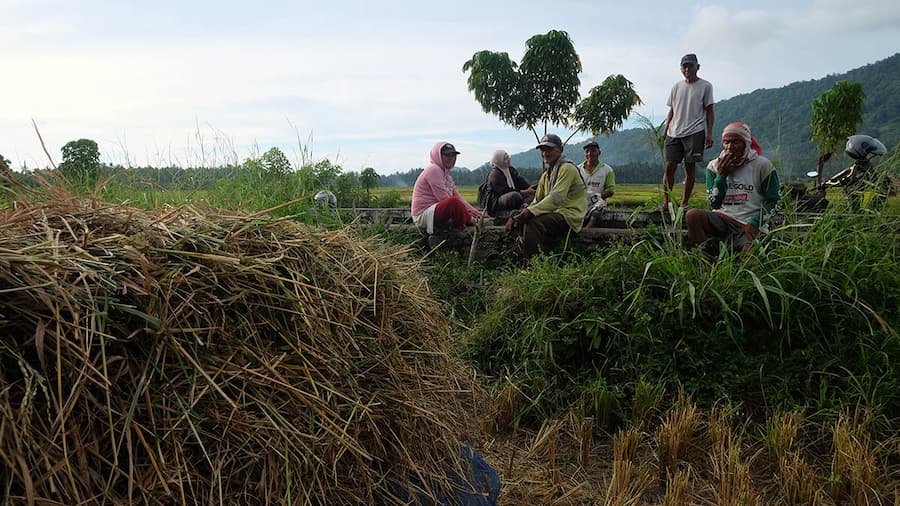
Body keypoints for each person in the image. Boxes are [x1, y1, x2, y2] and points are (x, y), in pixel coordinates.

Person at [685, 122, 780, 255]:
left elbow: (773, 200)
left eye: (735, 142)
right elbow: (714, 203)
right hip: (722, 219)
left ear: (746, 143)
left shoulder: (762, 165)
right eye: (726, 142)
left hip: (748, 223)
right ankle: (707, 259)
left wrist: (754, 223)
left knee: (749, 256)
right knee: (692, 215)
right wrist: (721, 176)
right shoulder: (714, 166)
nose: (730, 147)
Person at [505, 134, 587, 259]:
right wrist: (522, 212)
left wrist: (529, 212)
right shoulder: (546, 175)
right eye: (542, 150)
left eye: (549, 149)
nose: (545, 153)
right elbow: (537, 200)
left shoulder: (567, 168)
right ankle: (526, 257)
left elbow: (556, 198)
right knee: (519, 218)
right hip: (555, 213)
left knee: (533, 222)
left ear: (560, 150)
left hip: (569, 215)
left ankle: (533, 264)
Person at [662, 53, 715, 210]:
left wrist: (709, 133)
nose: (687, 69)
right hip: (674, 132)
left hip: (695, 131)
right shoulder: (676, 87)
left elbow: (709, 110)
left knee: (689, 167)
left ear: (697, 67)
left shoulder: (705, 86)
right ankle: (667, 203)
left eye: (690, 66)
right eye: (684, 66)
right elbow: (672, 110)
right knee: (669, 167)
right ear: (681, 68)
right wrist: (665, 129)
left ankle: (684, 203)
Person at [411, 141, 481, 237]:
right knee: (453, 202)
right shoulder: (433, 170)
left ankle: (467, 222)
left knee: (455, 202)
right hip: (423, 215)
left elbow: (459, 198)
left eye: (453, 156)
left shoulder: (447, 177)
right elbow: (444, 198)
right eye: (447, 155)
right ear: (438, 156)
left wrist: (476, 212)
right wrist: (469, 216)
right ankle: (467, 224)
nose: (451, 158)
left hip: (434, 212)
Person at [484, 150, 535, 216]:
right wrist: (524, 191)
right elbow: (504, 191)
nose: (508, 160)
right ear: (498, 161)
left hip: (516, 194)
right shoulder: (495, 174)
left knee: (532, 195)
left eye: (508, 157)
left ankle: (524, 207)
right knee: (515, 196)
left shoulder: (511, 169)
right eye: (505, 159)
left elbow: (520, 181)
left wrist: (530, 188)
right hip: (498, 202)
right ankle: (519, 209)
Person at [579, 140, 615, 228]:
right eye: (587, 151)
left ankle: (587, 230)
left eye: (593, 151)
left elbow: (610, 190)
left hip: (598, 202)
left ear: (599, 152)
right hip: (580, 201)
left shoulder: (607, 170)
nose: (590, 153)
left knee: (596, 212)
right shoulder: (578, 169)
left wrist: (596, 197)